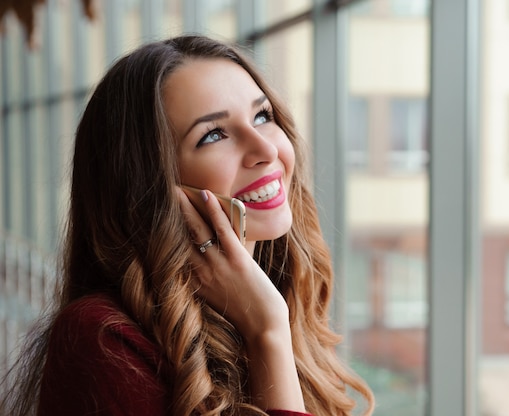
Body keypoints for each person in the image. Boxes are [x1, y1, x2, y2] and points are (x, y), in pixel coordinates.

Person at [0, 35, 374, 416]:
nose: (265, 150)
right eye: (213, 135)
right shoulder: (103, 338)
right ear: (148, 187)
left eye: (262, 116)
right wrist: (267, 334)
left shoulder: (282, 294)